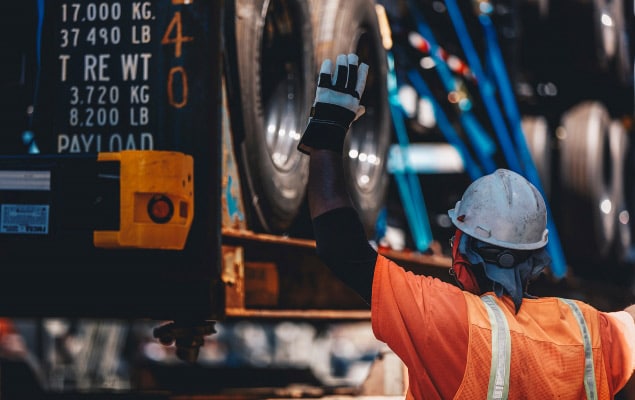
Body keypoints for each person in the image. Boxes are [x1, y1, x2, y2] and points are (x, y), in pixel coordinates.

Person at [298, 53, 635, 399]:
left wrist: (327, 133)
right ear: (535, 256)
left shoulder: (449, 321)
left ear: (463, 248)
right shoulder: (587, 328)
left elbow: (341, 248)